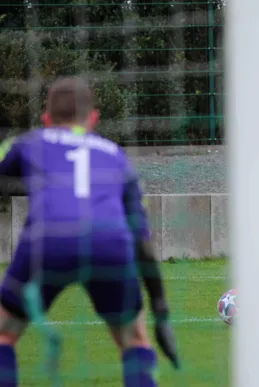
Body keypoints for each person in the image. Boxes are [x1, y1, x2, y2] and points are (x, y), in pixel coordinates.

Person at [0, 77, 178, 386]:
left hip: (47, 241)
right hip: (109, 243)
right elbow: (141, 240)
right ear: (93, 118)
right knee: (134, 341)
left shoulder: (31, 142)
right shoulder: (115, 155)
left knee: (4, 334)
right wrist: (160, 309)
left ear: (46, 118)